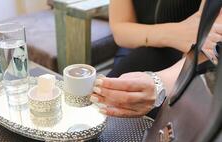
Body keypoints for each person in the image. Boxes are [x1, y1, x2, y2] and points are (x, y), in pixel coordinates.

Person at [90, 11, 222, 118]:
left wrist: (160, 83)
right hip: (136, 49)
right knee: (101, 106)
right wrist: (172, 33)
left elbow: (211, 44)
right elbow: (120, 31)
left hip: (188, 60)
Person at [108, 0, 204, 77]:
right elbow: (120, 30)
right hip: (133, 46)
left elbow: (205, 34)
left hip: (189, 54)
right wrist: (170, 34)